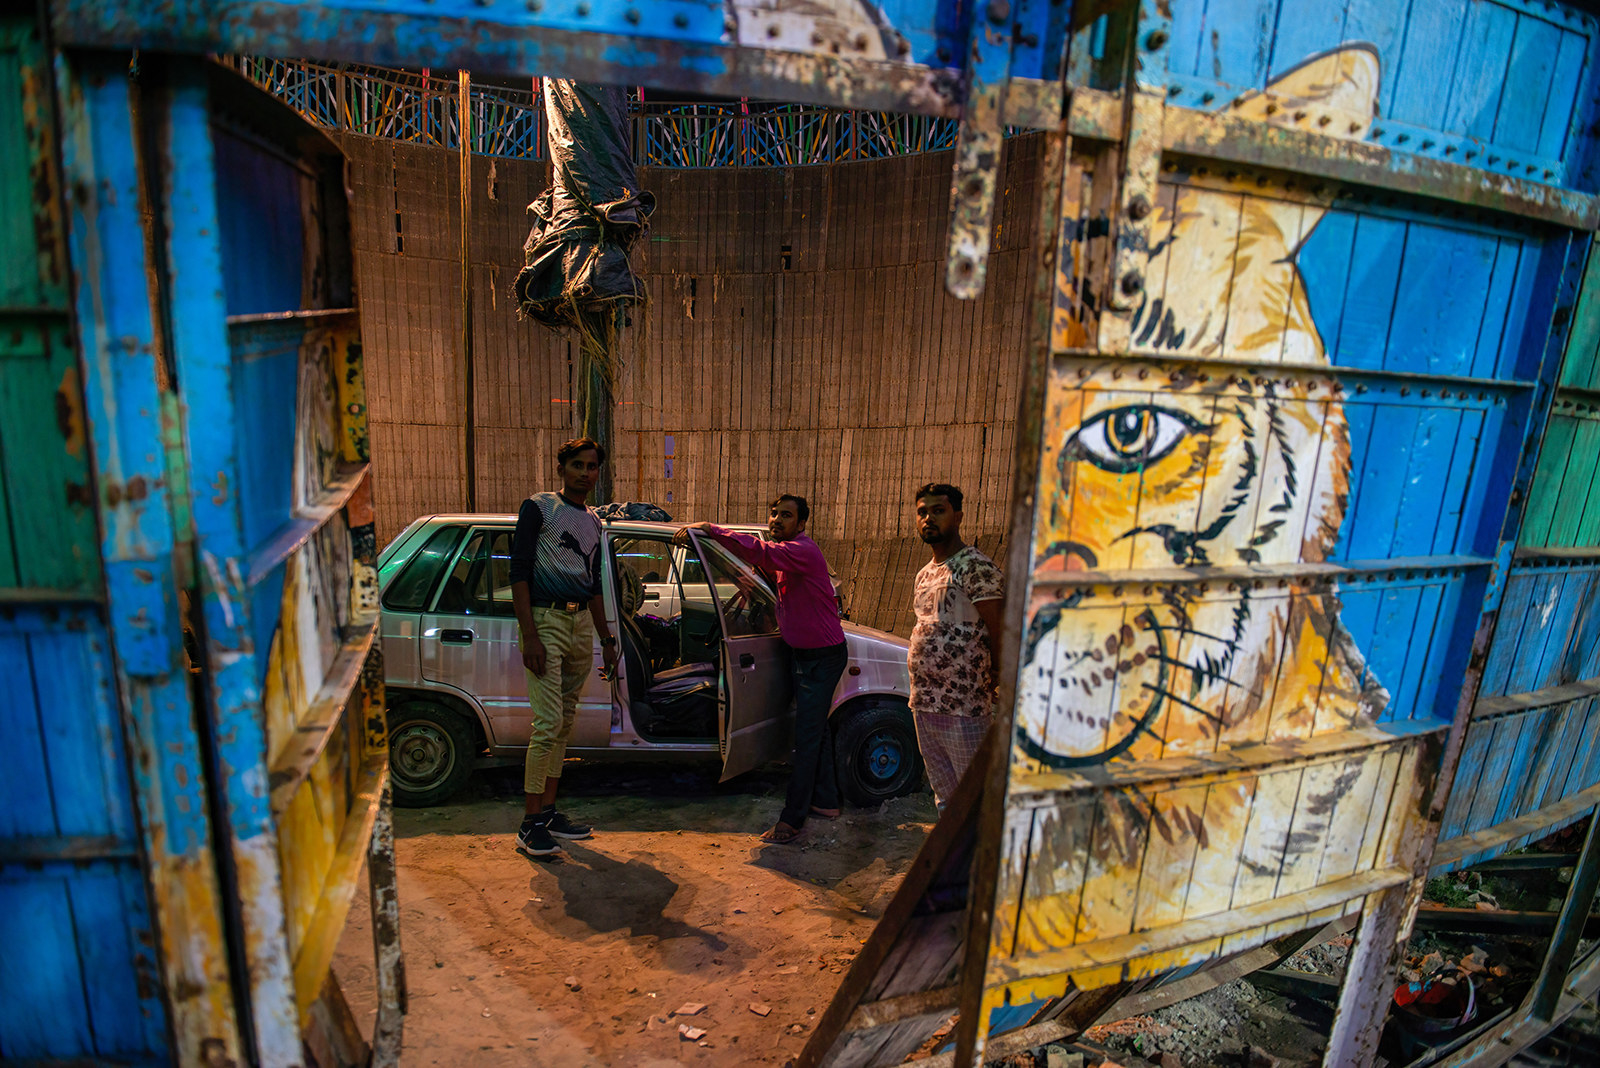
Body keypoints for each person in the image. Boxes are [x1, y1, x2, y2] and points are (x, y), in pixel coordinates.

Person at [677, 495, 846, 844]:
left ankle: (792, 820)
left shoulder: (802, 550)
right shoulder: (787, 552)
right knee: (818, 731)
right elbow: (761, 568)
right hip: (806, 655)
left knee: (806, 737)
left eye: (786, 515)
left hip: (821, 657)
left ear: (801, 524)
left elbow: (759, 552)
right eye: (774, 513)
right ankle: (827, 802)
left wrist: (711, 529)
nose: (777, 520)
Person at [508, 438, 620, 857]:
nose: (585, 473)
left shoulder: (594, 522)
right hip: (545, 619)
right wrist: (530, 634)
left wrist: (606, 639)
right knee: (549, 723)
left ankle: (549, 813)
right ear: (562, 468)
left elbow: (593, 586)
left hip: (578, 625)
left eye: (591, 467)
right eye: (577, 465)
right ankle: (528, 823)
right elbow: (518, 571)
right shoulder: (538, 508)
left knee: (565, 720)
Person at [908, 483, 1003, 812]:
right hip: (924, 704)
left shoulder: (975, 566)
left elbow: (999, 627)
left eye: (938, 510)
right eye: (922, 512)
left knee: (975, 798)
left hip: (964, 707)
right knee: (946, 799)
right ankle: (956, 863)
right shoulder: (923, 575)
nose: (928, 518)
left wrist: (998, 674)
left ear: (958, 516)